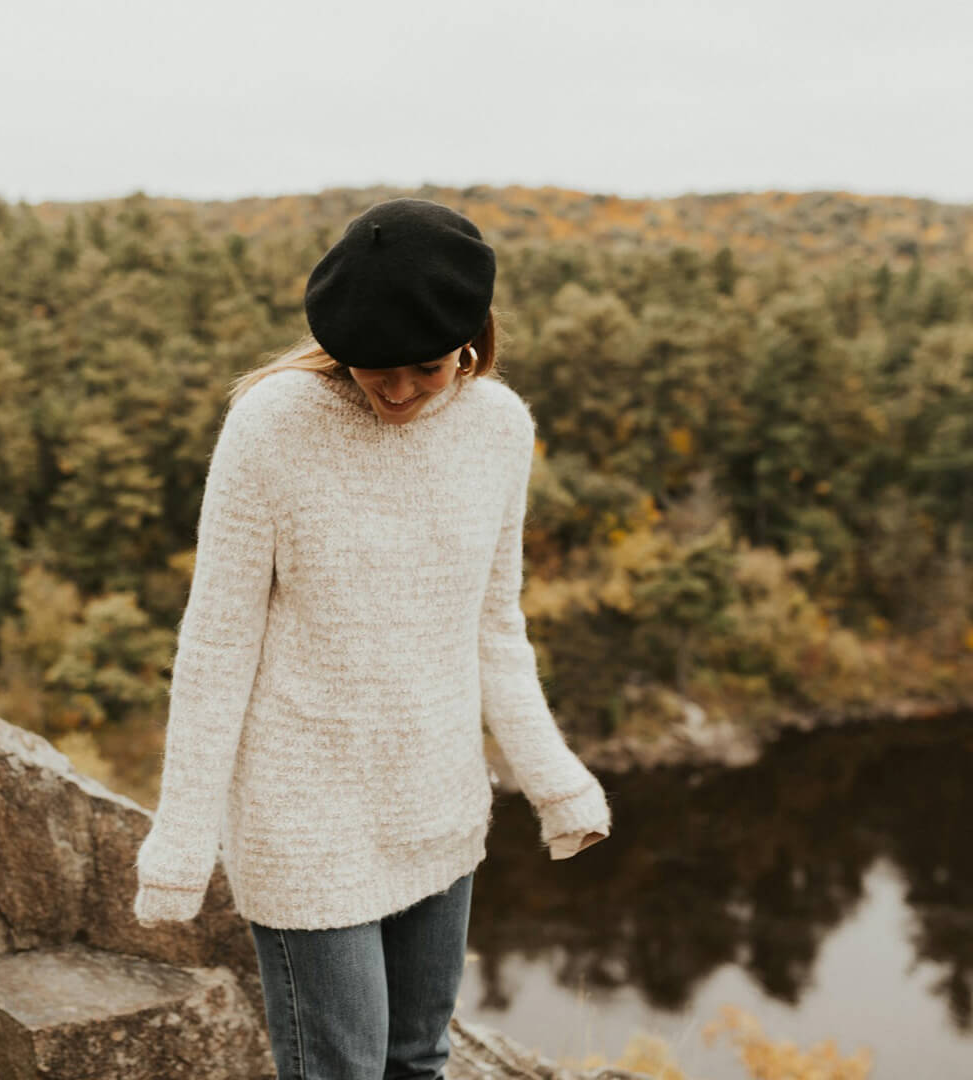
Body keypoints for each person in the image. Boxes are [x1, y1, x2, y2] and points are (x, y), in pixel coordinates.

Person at [131, 197, 612, 1080]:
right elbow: (217, 643)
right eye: (372, 367)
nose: (394, 391)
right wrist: (182, 838)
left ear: (471, 341)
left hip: (438, 797)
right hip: (302, 812)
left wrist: (556, 782)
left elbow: (494, 623)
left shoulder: (500, 427)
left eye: (424, 367)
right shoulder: (273, 424)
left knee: (418, 1059)